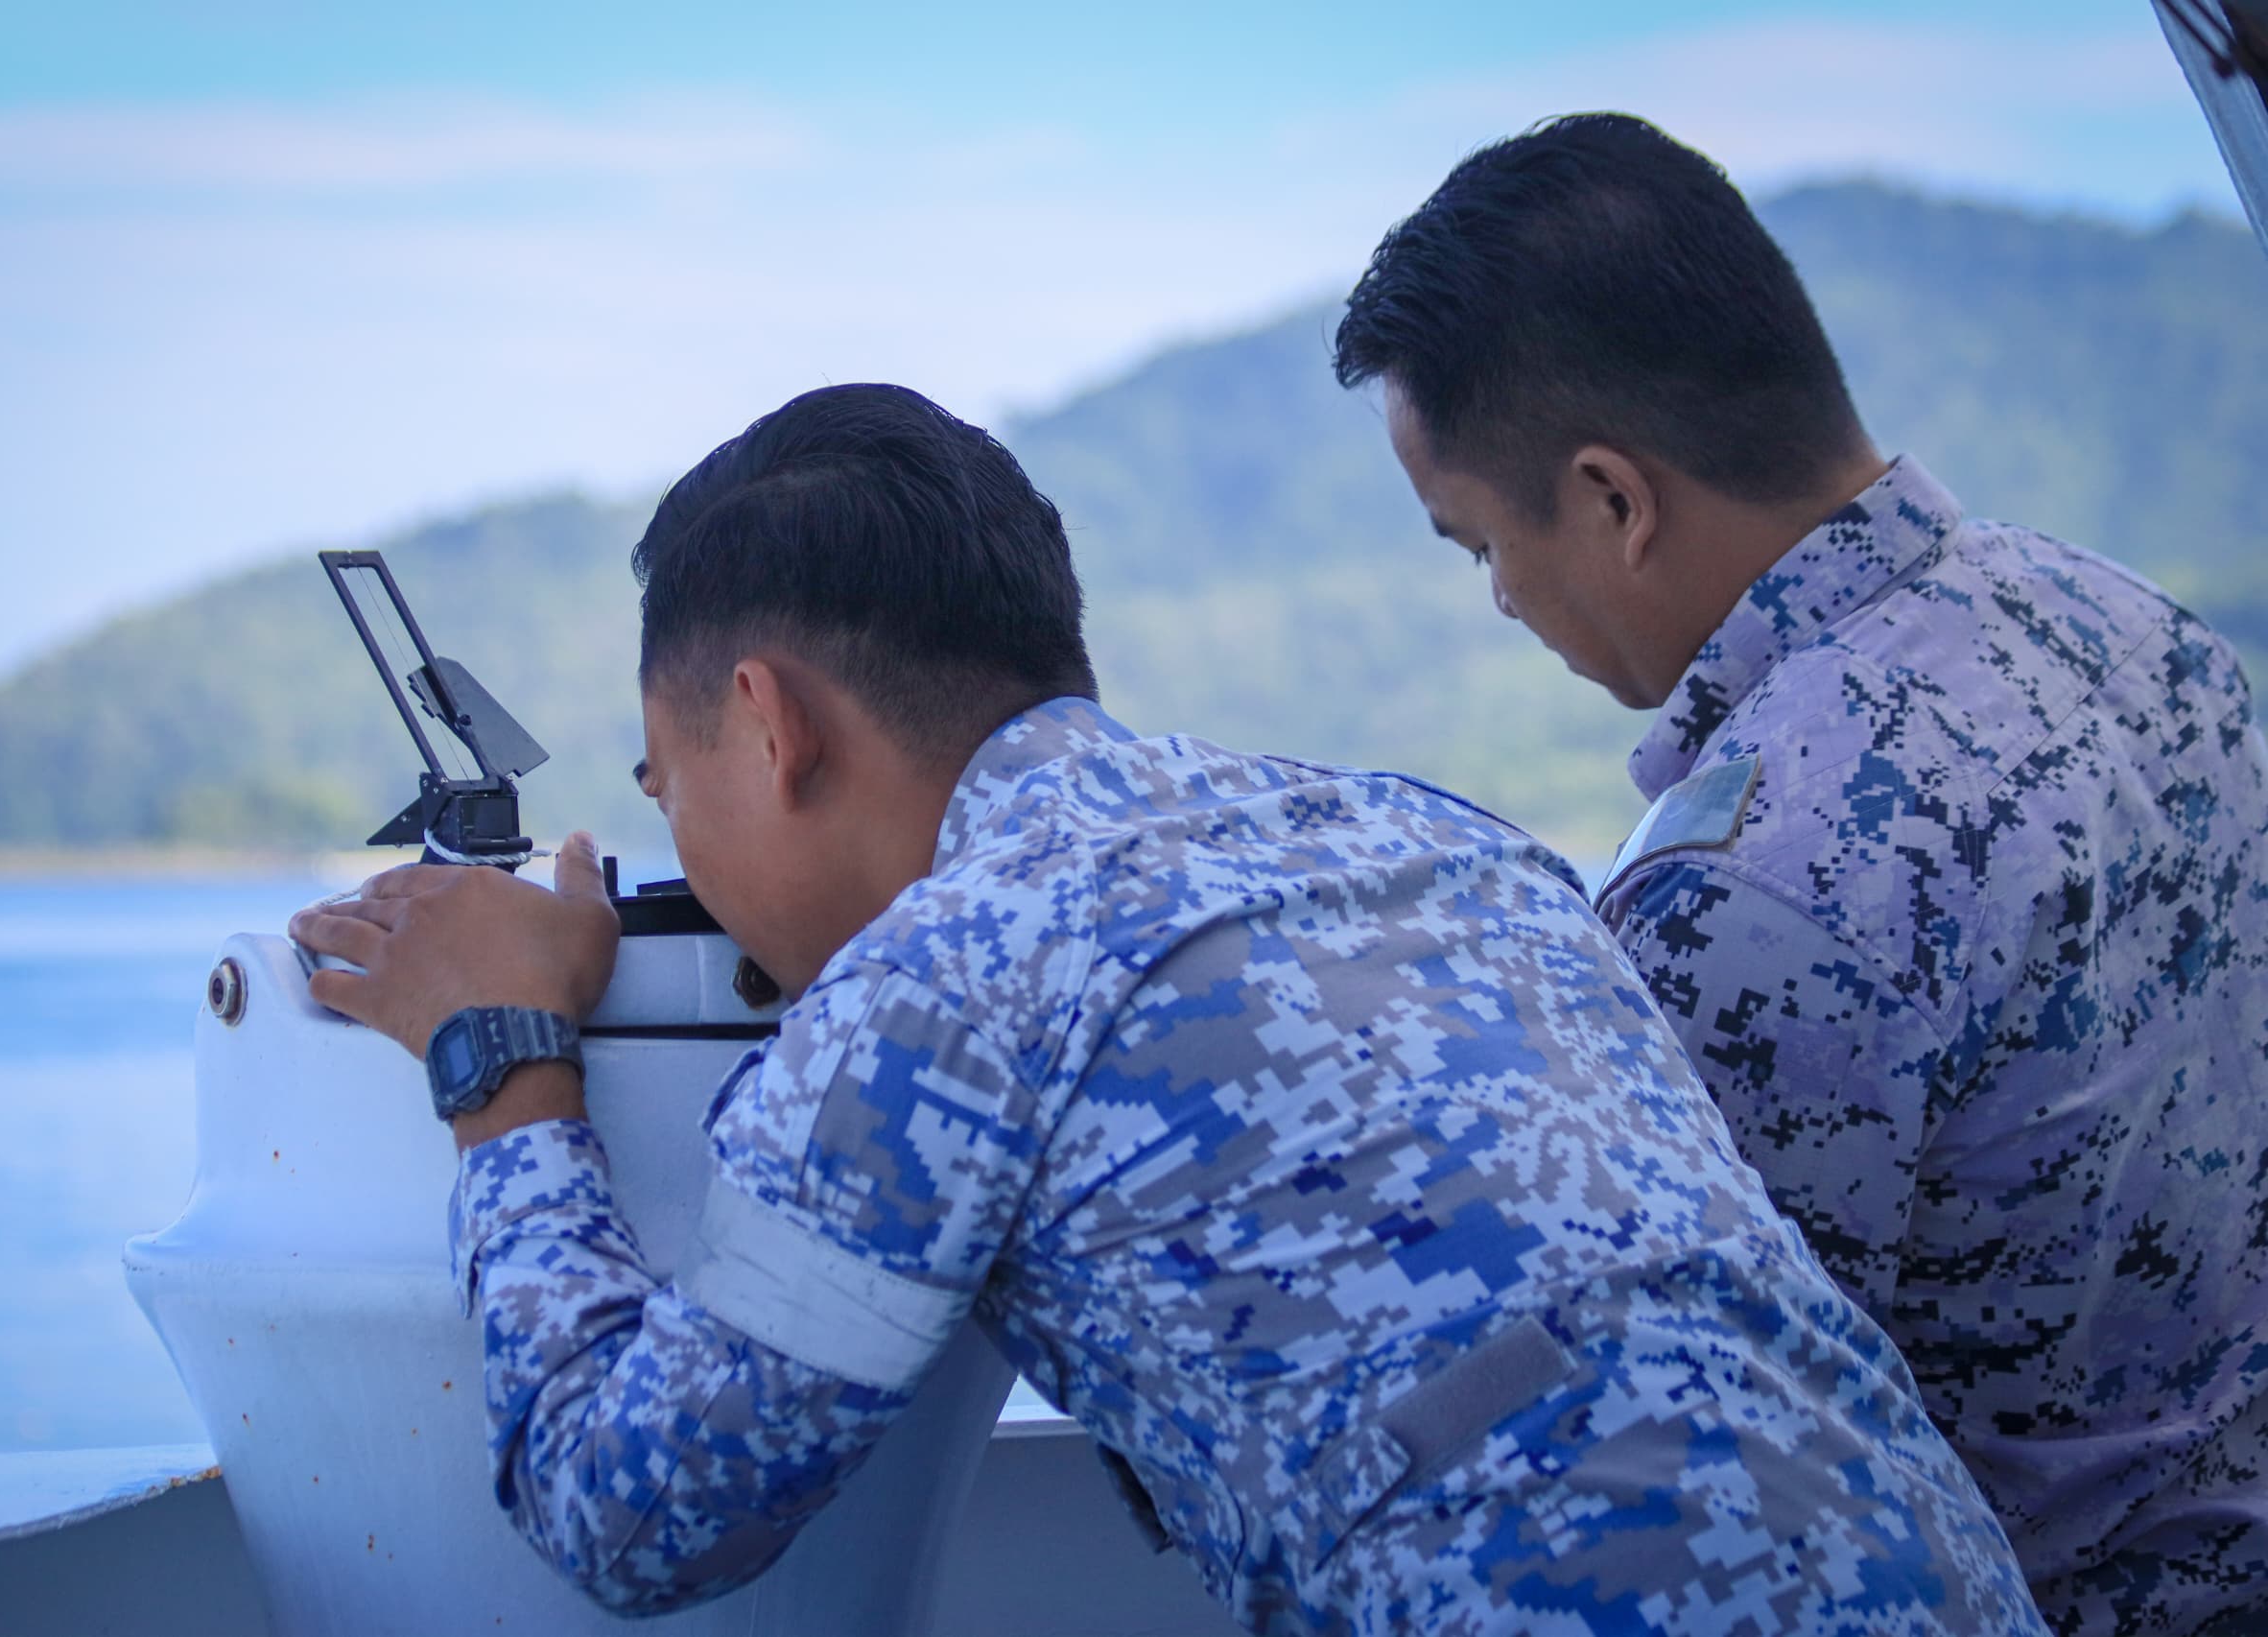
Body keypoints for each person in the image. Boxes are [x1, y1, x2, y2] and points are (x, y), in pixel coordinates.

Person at [290, 382, 2043, 1634]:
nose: (673, 830)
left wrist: (504, 1057)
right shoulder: (1438, 836)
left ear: (769, 722)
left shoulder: (941, 977)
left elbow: (630, 1511)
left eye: (661, 781)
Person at [1333, 111, 2268, 1635]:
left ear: (1614, 498)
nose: (1501, 599)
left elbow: (1710, 1467)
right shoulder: (2142, 634)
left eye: (1479, 546)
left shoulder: (1742, 892)